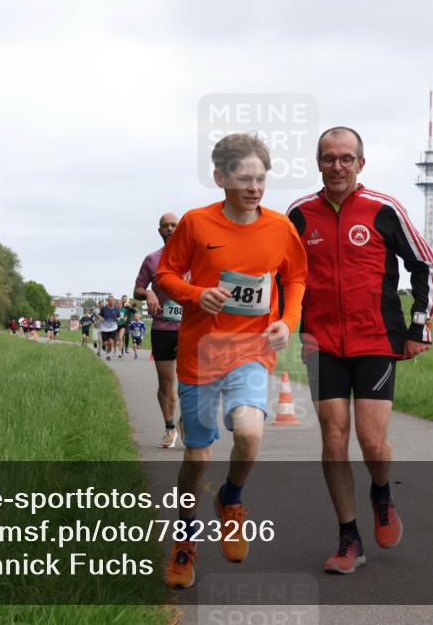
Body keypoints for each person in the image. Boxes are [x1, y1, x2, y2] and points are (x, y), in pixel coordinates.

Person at [286, 126, 433, 575]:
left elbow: (426, 265)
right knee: (333, 439)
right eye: (329, 157)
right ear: (318, 162)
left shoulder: (384, 209)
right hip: (321, 343)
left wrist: (418, 325)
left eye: (346, 158)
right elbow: (281, 275)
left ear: (361, 163)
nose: (338, 165)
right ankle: (348, 537)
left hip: (375, 339)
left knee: (371, 442)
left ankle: (380, 492)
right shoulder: (298, 215)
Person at [157, 132, 307, 590]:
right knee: (197, 456)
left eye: (261, 178)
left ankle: (231, 499)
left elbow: (296, 276)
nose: (255, 188)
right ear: (220, 177)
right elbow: (165, 274)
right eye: (245, 178)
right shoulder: (196, 225)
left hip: (250, 351)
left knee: (249, 431)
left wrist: (287, 320)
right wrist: (196, 293)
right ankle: (185, 541)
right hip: (201, 353)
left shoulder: (280, 227)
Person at [134, 212, 185, 449]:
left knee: (193, 382)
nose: (170, 229)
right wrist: (149, 292)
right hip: (163, 328)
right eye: (165, 226)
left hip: (190, 327)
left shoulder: (194, 256)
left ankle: (187, 421)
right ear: (160, 231)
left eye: (174, 225)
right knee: (166, 383)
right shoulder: (151, 259)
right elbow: (137, 289)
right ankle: (169, 427)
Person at [98, 296, 120, 361]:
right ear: (108, 301)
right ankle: (104, 345)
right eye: (110, 300)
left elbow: (118, 317)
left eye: (112, 300)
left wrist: (117, 319)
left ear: (114, 301)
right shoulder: (104, 309)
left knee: (111, 342)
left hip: (113, 328)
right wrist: (101, 318)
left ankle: (108, 355)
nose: (111, 301)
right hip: (104, 328)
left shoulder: (116, 309)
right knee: (105, 343)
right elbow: (99, 315)